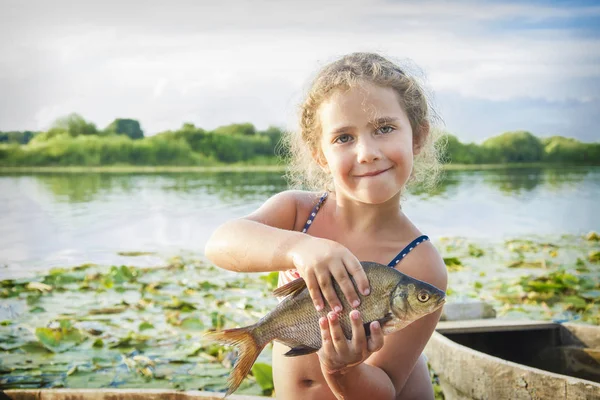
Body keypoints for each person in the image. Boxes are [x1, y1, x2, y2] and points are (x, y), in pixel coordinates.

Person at [205, 52, 448, 400]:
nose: (366, 152)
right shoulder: (299, 213)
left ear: (418, 137)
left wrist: (342, 370)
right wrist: (300, 248)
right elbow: (220, 244)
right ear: (320, 154)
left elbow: (386, 389)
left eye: (384, 128)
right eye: (343, 138)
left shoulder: (422, 265)